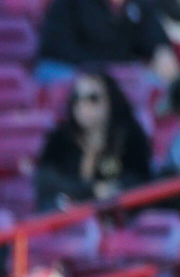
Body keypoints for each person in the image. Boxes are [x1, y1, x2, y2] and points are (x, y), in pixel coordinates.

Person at [35, 70, 152, 213]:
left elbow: (141, 180)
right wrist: (92, 190)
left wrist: (113, 189)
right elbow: (45, 180)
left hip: (118, 216)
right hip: (69, 218)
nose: (83, 105)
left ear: (110, 100)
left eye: (93, 98)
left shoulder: (131, 135)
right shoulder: (60, 137)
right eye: (76, 98)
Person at [35, 0, 179, 89]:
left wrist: (162, 52)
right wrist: (103, 70)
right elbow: (55, 45)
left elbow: (155, 39)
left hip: (119, 76)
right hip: (74, 69)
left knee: (159, 84)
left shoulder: (140, 0)